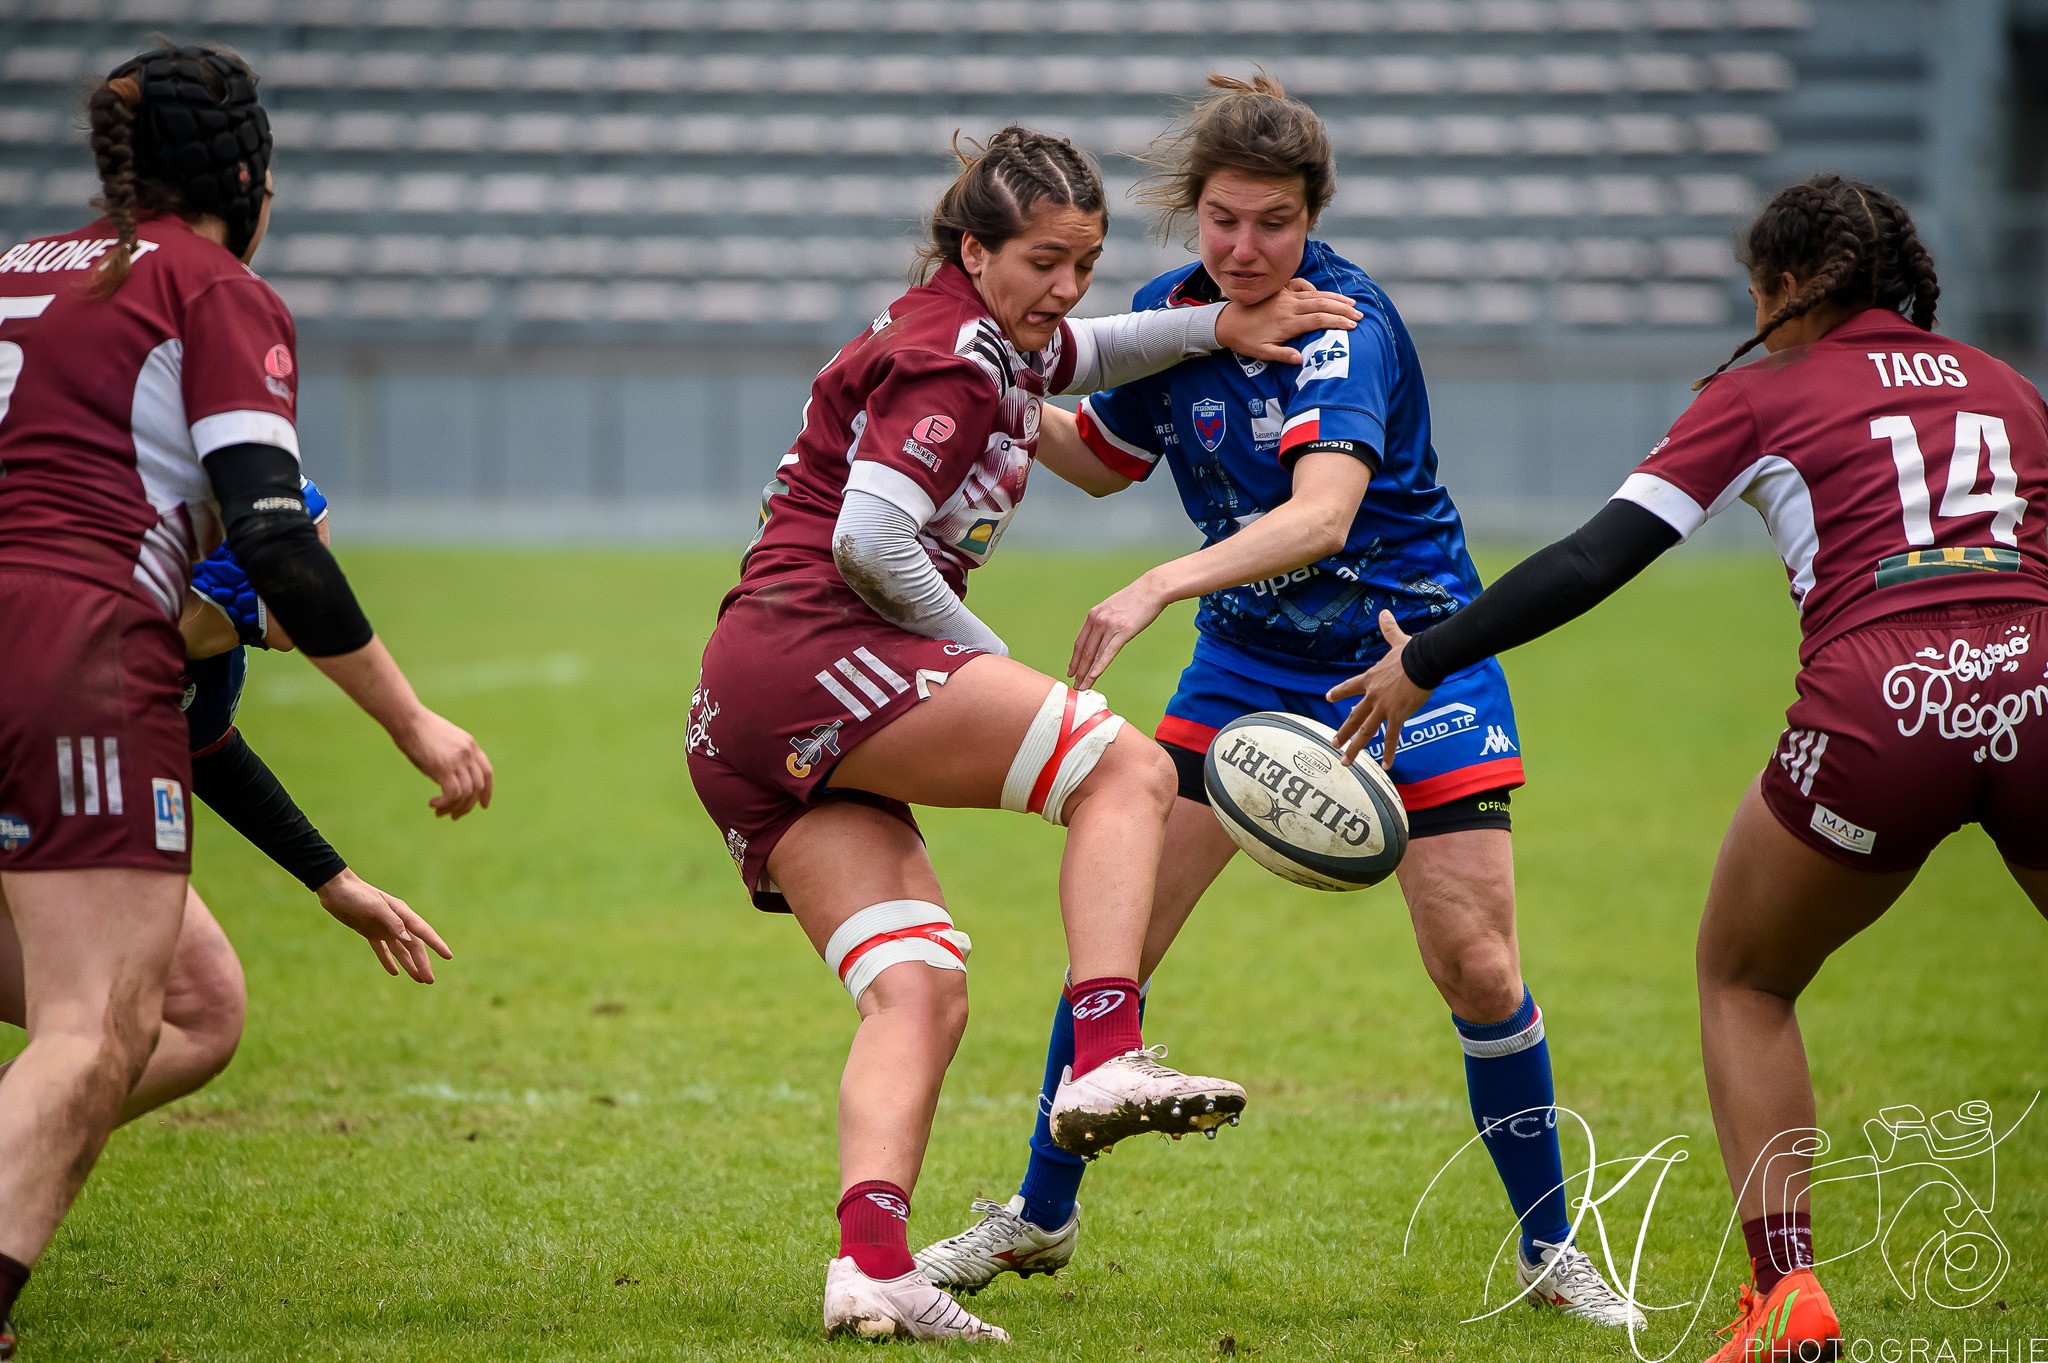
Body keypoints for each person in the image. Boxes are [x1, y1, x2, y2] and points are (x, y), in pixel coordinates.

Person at [916, 74, 1644, 1334]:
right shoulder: (1171, 313)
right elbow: (1102, 461)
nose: (1246, 250)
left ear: (1314, 220)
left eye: (1273, 223)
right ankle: (1039, 1215)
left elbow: (1322, 513)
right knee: (1120, 943)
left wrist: (1155, 583)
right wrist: (989, 390)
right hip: (1249, 661)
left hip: (1411, 653)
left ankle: (1549, 1248)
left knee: (1475, 964)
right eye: (1222, 221)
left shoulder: (1344, 323)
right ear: (1192, 214)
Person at [1326, 174, 2048, 1362]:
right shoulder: (2005, 384)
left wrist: (1431, 658)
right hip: (2031, 681)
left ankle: (1786, 1296)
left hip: (1877, 708)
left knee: (1745, 977)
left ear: (1778, 288)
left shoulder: (1756, 391)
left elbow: (1595, 556)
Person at [684, 124, 1364, 1343]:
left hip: (746, 705)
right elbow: (866, 541)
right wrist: (978, 664)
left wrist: (1212, 325)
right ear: (973, 247)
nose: (1064, 290)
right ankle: (1106, 1046)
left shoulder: (979, 332)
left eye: (1084, 263)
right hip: (820, 656)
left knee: (921, 989)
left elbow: (1083, 353)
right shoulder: (950, 359)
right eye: (1043, 261)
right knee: (1127, 765)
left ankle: (874, 1265)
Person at [0, 45, 491, 1359]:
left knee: (194, 1002)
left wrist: (328, 875)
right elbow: (277, 536)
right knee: (95, 1025)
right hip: (66, 645)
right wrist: (414, 722)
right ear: (249, 177)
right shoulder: (209, 286)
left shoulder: (18, 273)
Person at [0, 477, 453, 1131]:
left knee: (198, 1005)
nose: (322, 586)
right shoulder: (86, 626)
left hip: (46, 802)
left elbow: (205, 745)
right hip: (38, 791)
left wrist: (332, 877)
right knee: (142, 1013)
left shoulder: (205, 662)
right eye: (302, 559)